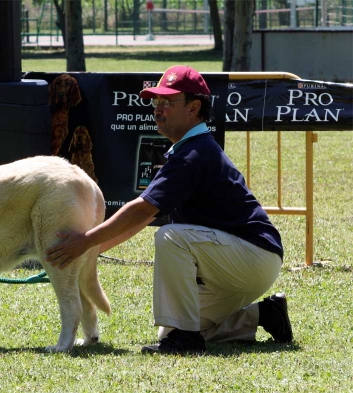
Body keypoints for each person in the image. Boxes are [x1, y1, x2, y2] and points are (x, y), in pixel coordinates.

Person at [45, 65, 292, 355]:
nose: (157, 109)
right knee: (172, 327)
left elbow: (141, 210)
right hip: (245, 263)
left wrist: (85, 241)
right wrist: (91, 250)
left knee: (171, 237)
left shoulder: (193, 154)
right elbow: (143, 217)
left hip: (252, 256)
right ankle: (263, 315)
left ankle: (185, 340)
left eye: (167, 102)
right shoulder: (190, 150)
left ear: (194, 107)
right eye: (156, 102)